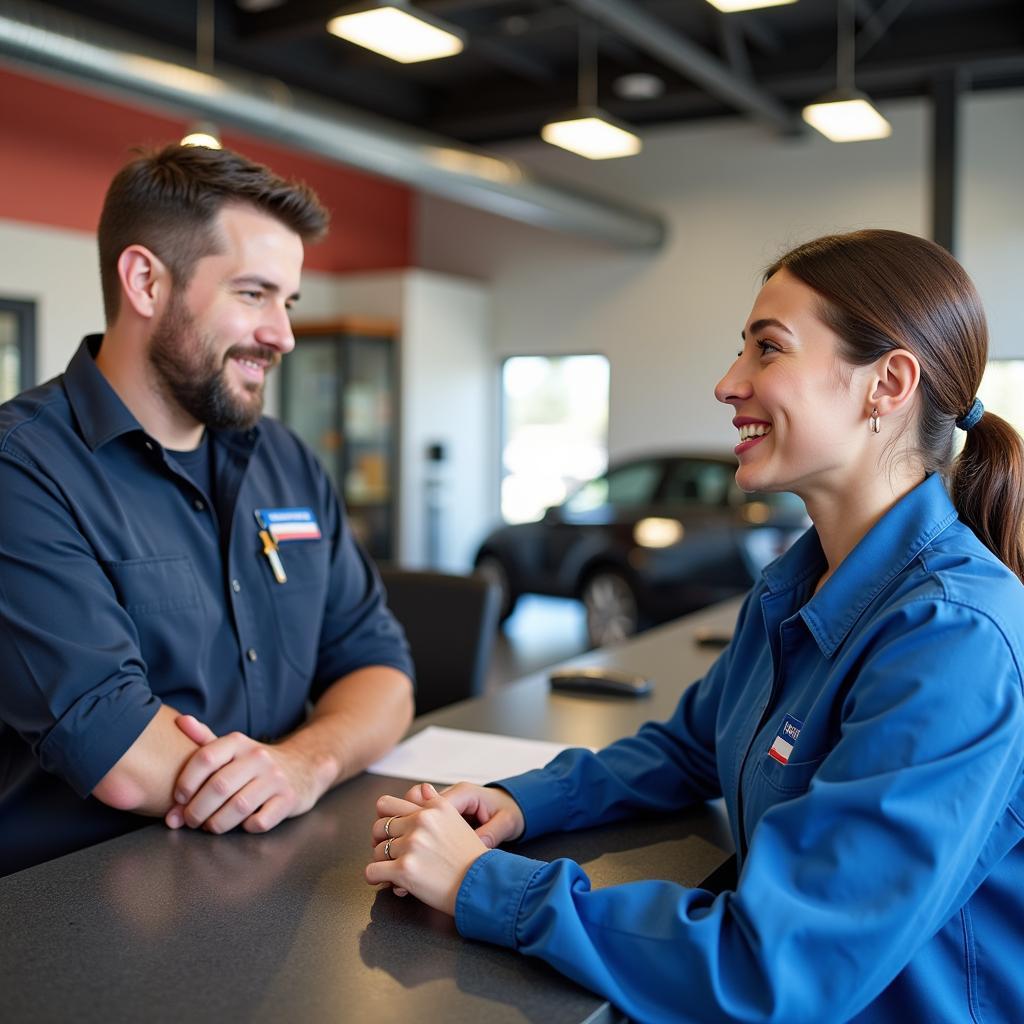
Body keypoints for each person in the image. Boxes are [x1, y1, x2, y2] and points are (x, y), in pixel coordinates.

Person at [366, 230, 1024, 1023]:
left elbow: (773, 969)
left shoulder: (952, 641)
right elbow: (689, 746)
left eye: (767, 350)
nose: (727, 384)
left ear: (887, 384)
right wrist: (521, 801)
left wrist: (485, 885)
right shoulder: (801, 580)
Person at [0, 144, 414, 877]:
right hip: (69, 911)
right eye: (253, 294)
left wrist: (304, 764)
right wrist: (285, 779)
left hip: (274, 875)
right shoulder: (23, 470)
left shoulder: (287, 462)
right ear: (145, 282)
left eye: (287, 303)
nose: (282, 335)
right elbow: (119, 752)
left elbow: (381, 671)